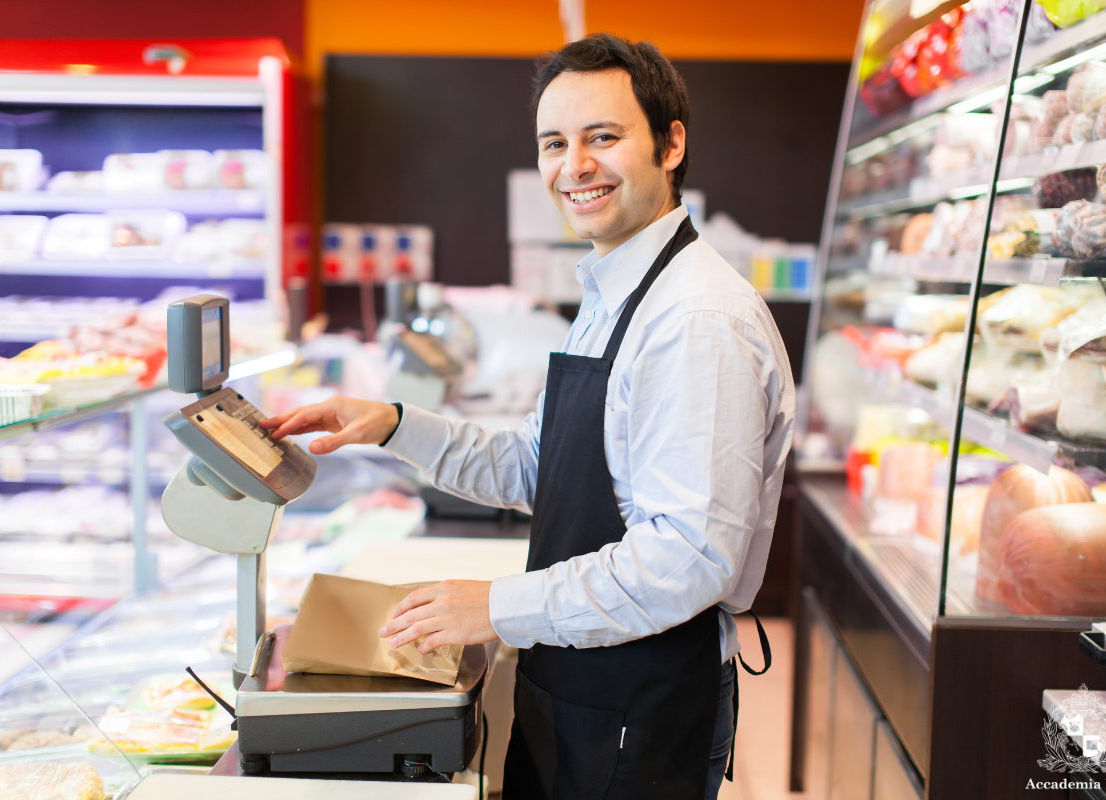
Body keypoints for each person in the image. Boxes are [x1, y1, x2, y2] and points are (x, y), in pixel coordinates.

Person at [262, 32, 794, 800]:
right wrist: (392, 424)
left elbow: (688, 558)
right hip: (584, 677)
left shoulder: (696, 318)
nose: (573, 166)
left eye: (602, 138)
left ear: (671, 143)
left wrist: (495, 604)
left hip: (640, 700)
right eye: (555, 142)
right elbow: (536, 467)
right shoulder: (615, 290)